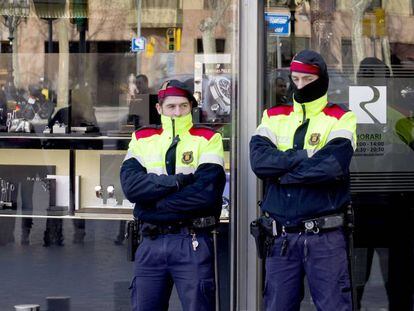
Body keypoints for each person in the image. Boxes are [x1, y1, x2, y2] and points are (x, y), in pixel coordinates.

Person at [250, 50, 357, 310]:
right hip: (282, 237)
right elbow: (260, 163)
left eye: (307, 80)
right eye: (295, 79)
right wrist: (305, 157)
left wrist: (282, 173)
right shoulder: (273, 116)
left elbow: (331, 168)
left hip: (325, 238)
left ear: (321, 79)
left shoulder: (341, 117)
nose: (299, 85)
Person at [120, 79, 226, 311]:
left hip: (191, 240)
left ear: (191, 107)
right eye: (171, 107)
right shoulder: (142, 139)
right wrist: (178, 182)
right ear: (159, 109)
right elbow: (131, 188)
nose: (177, 112)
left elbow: (205, 195)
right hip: (150, 242)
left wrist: (153, 202)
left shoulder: (208, 138)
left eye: (183, 106)